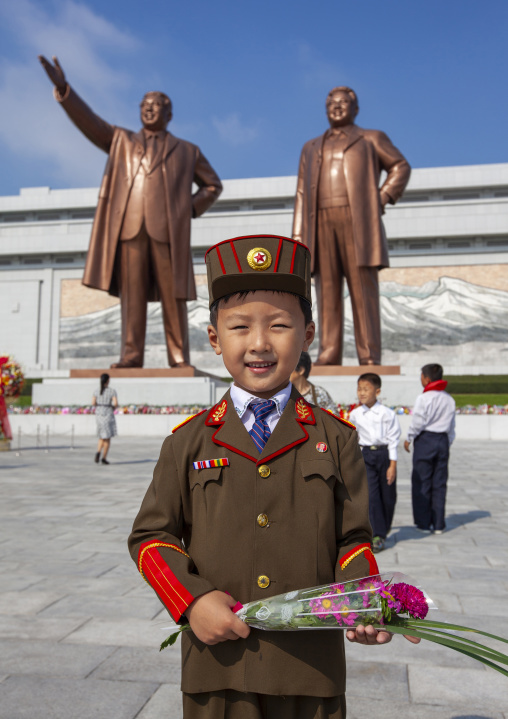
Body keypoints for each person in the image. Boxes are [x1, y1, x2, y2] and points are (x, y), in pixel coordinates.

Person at [128, 234, 418, 719]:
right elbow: (151, 537)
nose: (259, 343)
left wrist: (363, 597)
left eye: (280, 325)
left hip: (310, 666)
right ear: (215, 338)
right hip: (217, 668)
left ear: (306, 336)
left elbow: (353, 539)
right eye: (239, 327)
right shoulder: (188, 441)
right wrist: (192, 602)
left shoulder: (335, 437)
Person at [39, 55, 222, 368]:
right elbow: (91, 122)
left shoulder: (187, 151)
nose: (148, 108)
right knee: (132, 296)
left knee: (173, 296)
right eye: (144, 104)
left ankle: (178, 357)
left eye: (155, 104)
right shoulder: (121, 140)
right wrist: (65, 90)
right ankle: (131, 355)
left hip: (167, 231)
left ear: (169, 113)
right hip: (130, 227)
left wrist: (186, 210)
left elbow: (212, 185)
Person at [292, 86, 410, 366]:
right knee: (327, 289)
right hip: (320, 221)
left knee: (362, 289)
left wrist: (381, 198)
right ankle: (329, 352)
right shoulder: (310, 147)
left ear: (355, 109)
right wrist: (298, 238)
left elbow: (400, 166)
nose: (337, 107)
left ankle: (369, 354)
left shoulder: (370, 138)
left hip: (358, 220)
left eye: (343, 102)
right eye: (331, 103)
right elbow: (300, 193)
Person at [349, 373, 401, 553]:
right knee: (371, 495)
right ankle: (376, 535)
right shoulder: (354, 414)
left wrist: (392, 465)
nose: (361, 393)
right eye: (359, 389)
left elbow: (393, 439)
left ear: (377, 391)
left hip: (384, 455)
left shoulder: (387, 414)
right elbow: (353, 438)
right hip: (365, 456)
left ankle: (384, 527)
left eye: (366, 389)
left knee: (388, 496)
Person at [404, 364, 456, 534]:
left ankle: (424, 523)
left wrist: (409, 437)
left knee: (422, 481)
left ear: (426, 378)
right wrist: (446, 443)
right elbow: (451, 427)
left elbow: (418, 421)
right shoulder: (449, 398)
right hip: (441, 440)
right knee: (439, 483)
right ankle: (439, 523)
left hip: (426, 440)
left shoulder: (424, 398)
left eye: (421, 376)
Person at [92, 373, 118, 465]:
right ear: (108, 380)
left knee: (101, 436)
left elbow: (93, 403)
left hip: (99, 414)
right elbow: (115, 403)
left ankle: (98, 451)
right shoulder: (111, 391)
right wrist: (112, 407)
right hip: (108, 413)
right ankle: (104, 457)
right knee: (107, 437)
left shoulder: (96, 391)